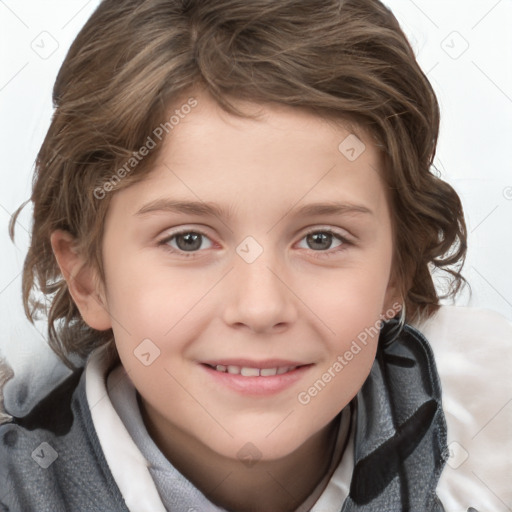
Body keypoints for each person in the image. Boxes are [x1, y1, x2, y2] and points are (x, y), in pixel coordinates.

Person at [1, 0, 510, 510]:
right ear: (88, 278)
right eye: (188, 240)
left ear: (397, 270)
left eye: (321, 239)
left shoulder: (491, 457)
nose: (260, 308)